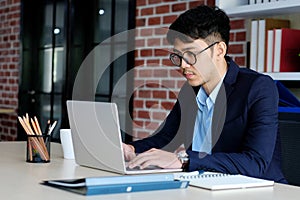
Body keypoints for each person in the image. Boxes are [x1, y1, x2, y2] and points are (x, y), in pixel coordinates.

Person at [123, 5, 287, 183]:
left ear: (219, 50)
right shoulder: (190, 90)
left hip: (258, 189)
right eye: (178, 56)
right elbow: (165, 137)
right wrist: (131, 148)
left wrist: (183, 160)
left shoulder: (258, 88)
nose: (183, 65)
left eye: (191, 55)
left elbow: (255, 163)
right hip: (203, 185)